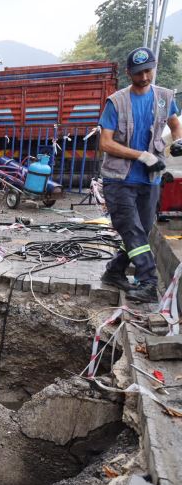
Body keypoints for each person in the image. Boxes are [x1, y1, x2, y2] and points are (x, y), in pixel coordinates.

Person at [99, 46, 182, 303]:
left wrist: (178, 140)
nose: (144, 77)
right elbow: (105, 142)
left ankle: (114, 271)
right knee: (132, 231)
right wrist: (141, 156)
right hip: (120, 179)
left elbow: (175, 124)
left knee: (142, 232)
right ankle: (148, 281)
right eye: (138, 73)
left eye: (148, 71)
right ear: (128, 73)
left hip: (150, 180)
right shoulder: (117, 102)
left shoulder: (164, 97)